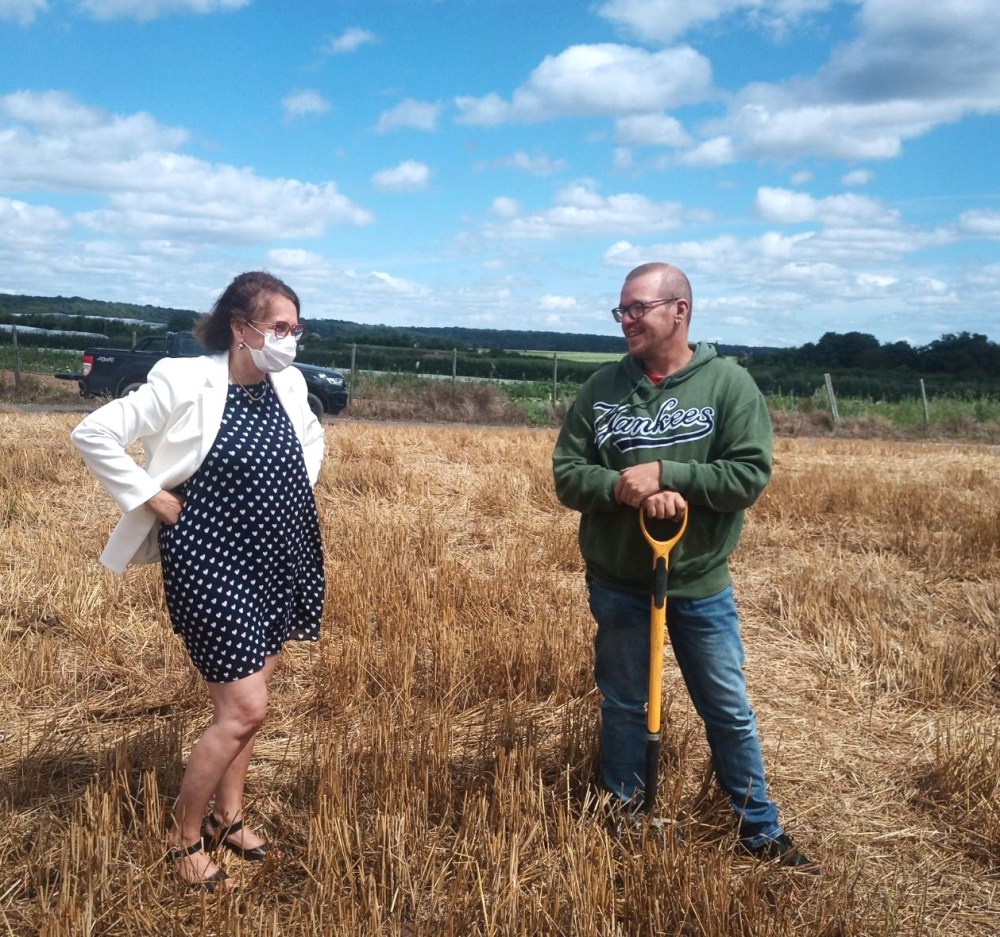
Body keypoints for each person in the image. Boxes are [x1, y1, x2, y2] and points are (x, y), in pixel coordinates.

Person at [552, 262, 816, 871]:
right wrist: (624, 488)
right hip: (620, 581)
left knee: (726, 708)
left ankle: (758, 828)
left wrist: (670, 476)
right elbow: (568, 474)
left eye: (637, 308)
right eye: (621, 310)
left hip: (698, 582)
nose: (626, 320)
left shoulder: (728, 386)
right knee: (624, 706)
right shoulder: (602, 388)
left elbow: (747, 475)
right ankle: (625, 817)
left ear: (680, 311)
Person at [71, 271, 326, 890]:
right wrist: (152, 496)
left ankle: (227, 817)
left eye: (297, 329)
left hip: (279, 557)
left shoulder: (289, 383)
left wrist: (292, 489)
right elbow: (93, 432)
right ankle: (183, 842)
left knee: (252, 705)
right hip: (212, 563)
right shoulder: (183, 380)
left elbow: (312, 436)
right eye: (280, 327)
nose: (291, 340)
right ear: (241, 327)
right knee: (245, 707)